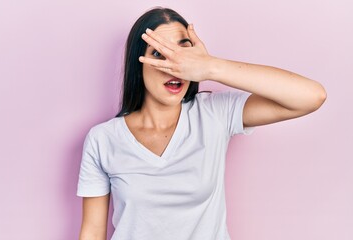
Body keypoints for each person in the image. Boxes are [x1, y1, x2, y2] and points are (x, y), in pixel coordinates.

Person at [77, 7, 326, 240]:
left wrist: (210, 67)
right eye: (159, 55)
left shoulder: (213, 113)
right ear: (137, 63)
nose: (175, 67)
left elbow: (310, 96)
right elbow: (93, 231)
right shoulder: (103, 139)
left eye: (183, 54)